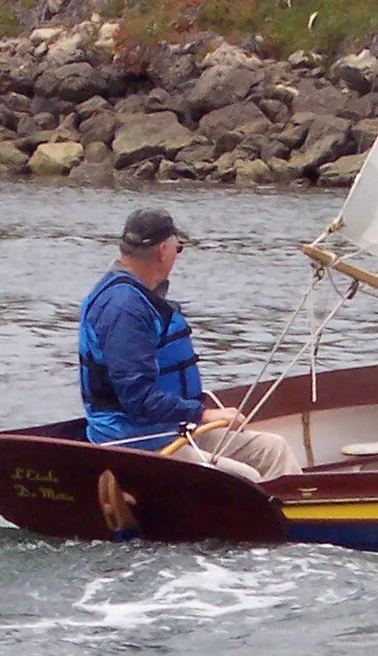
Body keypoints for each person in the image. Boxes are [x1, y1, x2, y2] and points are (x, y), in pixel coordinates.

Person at [78, 207, 302, 486]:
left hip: (169, 427)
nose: (176, 255)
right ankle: (262, 527)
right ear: (162, 251)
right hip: (134, 440)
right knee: (246, 480)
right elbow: (137, 398)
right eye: (178, 248)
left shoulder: (140, 297)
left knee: (273, 449)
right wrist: (202, 413)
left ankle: (300, 525)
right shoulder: (124, 308)